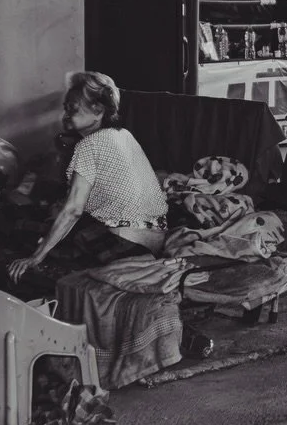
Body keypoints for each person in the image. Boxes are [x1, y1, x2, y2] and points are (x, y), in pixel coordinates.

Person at [9, 72, 169, 283]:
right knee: (58, 225)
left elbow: (74, 210)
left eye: (73, 107)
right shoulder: (124, 135)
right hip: (157, 239)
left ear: (98, 110)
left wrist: (36, 257)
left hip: (128, 245)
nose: (66, 114)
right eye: (66, 107)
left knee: (38, 235)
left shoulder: (89, 145)